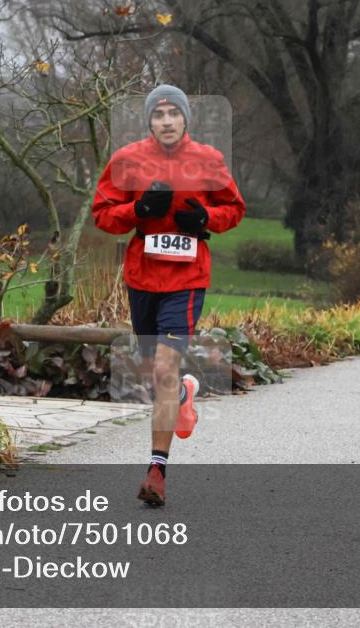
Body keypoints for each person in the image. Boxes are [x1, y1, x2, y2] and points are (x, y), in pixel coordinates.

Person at [92, 84, 246, 506]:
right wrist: (138, 211)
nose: (166, 121)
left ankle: (156, 471)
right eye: (158, 114)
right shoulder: (127, 161)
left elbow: (234, 209)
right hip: (142, 276)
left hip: (187, 278)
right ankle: (180, 394)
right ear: (149, 121)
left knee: (163, 366)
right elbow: (102, 214)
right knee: (153, 372)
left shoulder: (208, 161)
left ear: (184, 119)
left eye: (172, 113)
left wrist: (203, 219)